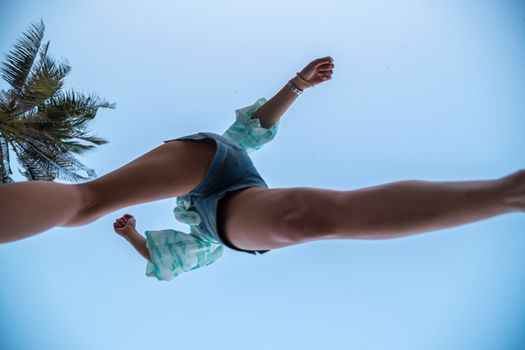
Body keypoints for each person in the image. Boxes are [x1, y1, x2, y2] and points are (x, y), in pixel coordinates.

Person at [1, 56, 524, 281]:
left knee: (299, 222)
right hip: (226, 166)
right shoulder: (214, 229)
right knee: (85, 203)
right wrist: (297, 83)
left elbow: (159, 256)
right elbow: (250, 133)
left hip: (219, 198)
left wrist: (134, 234)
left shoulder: (205, 248)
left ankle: (508, 194)